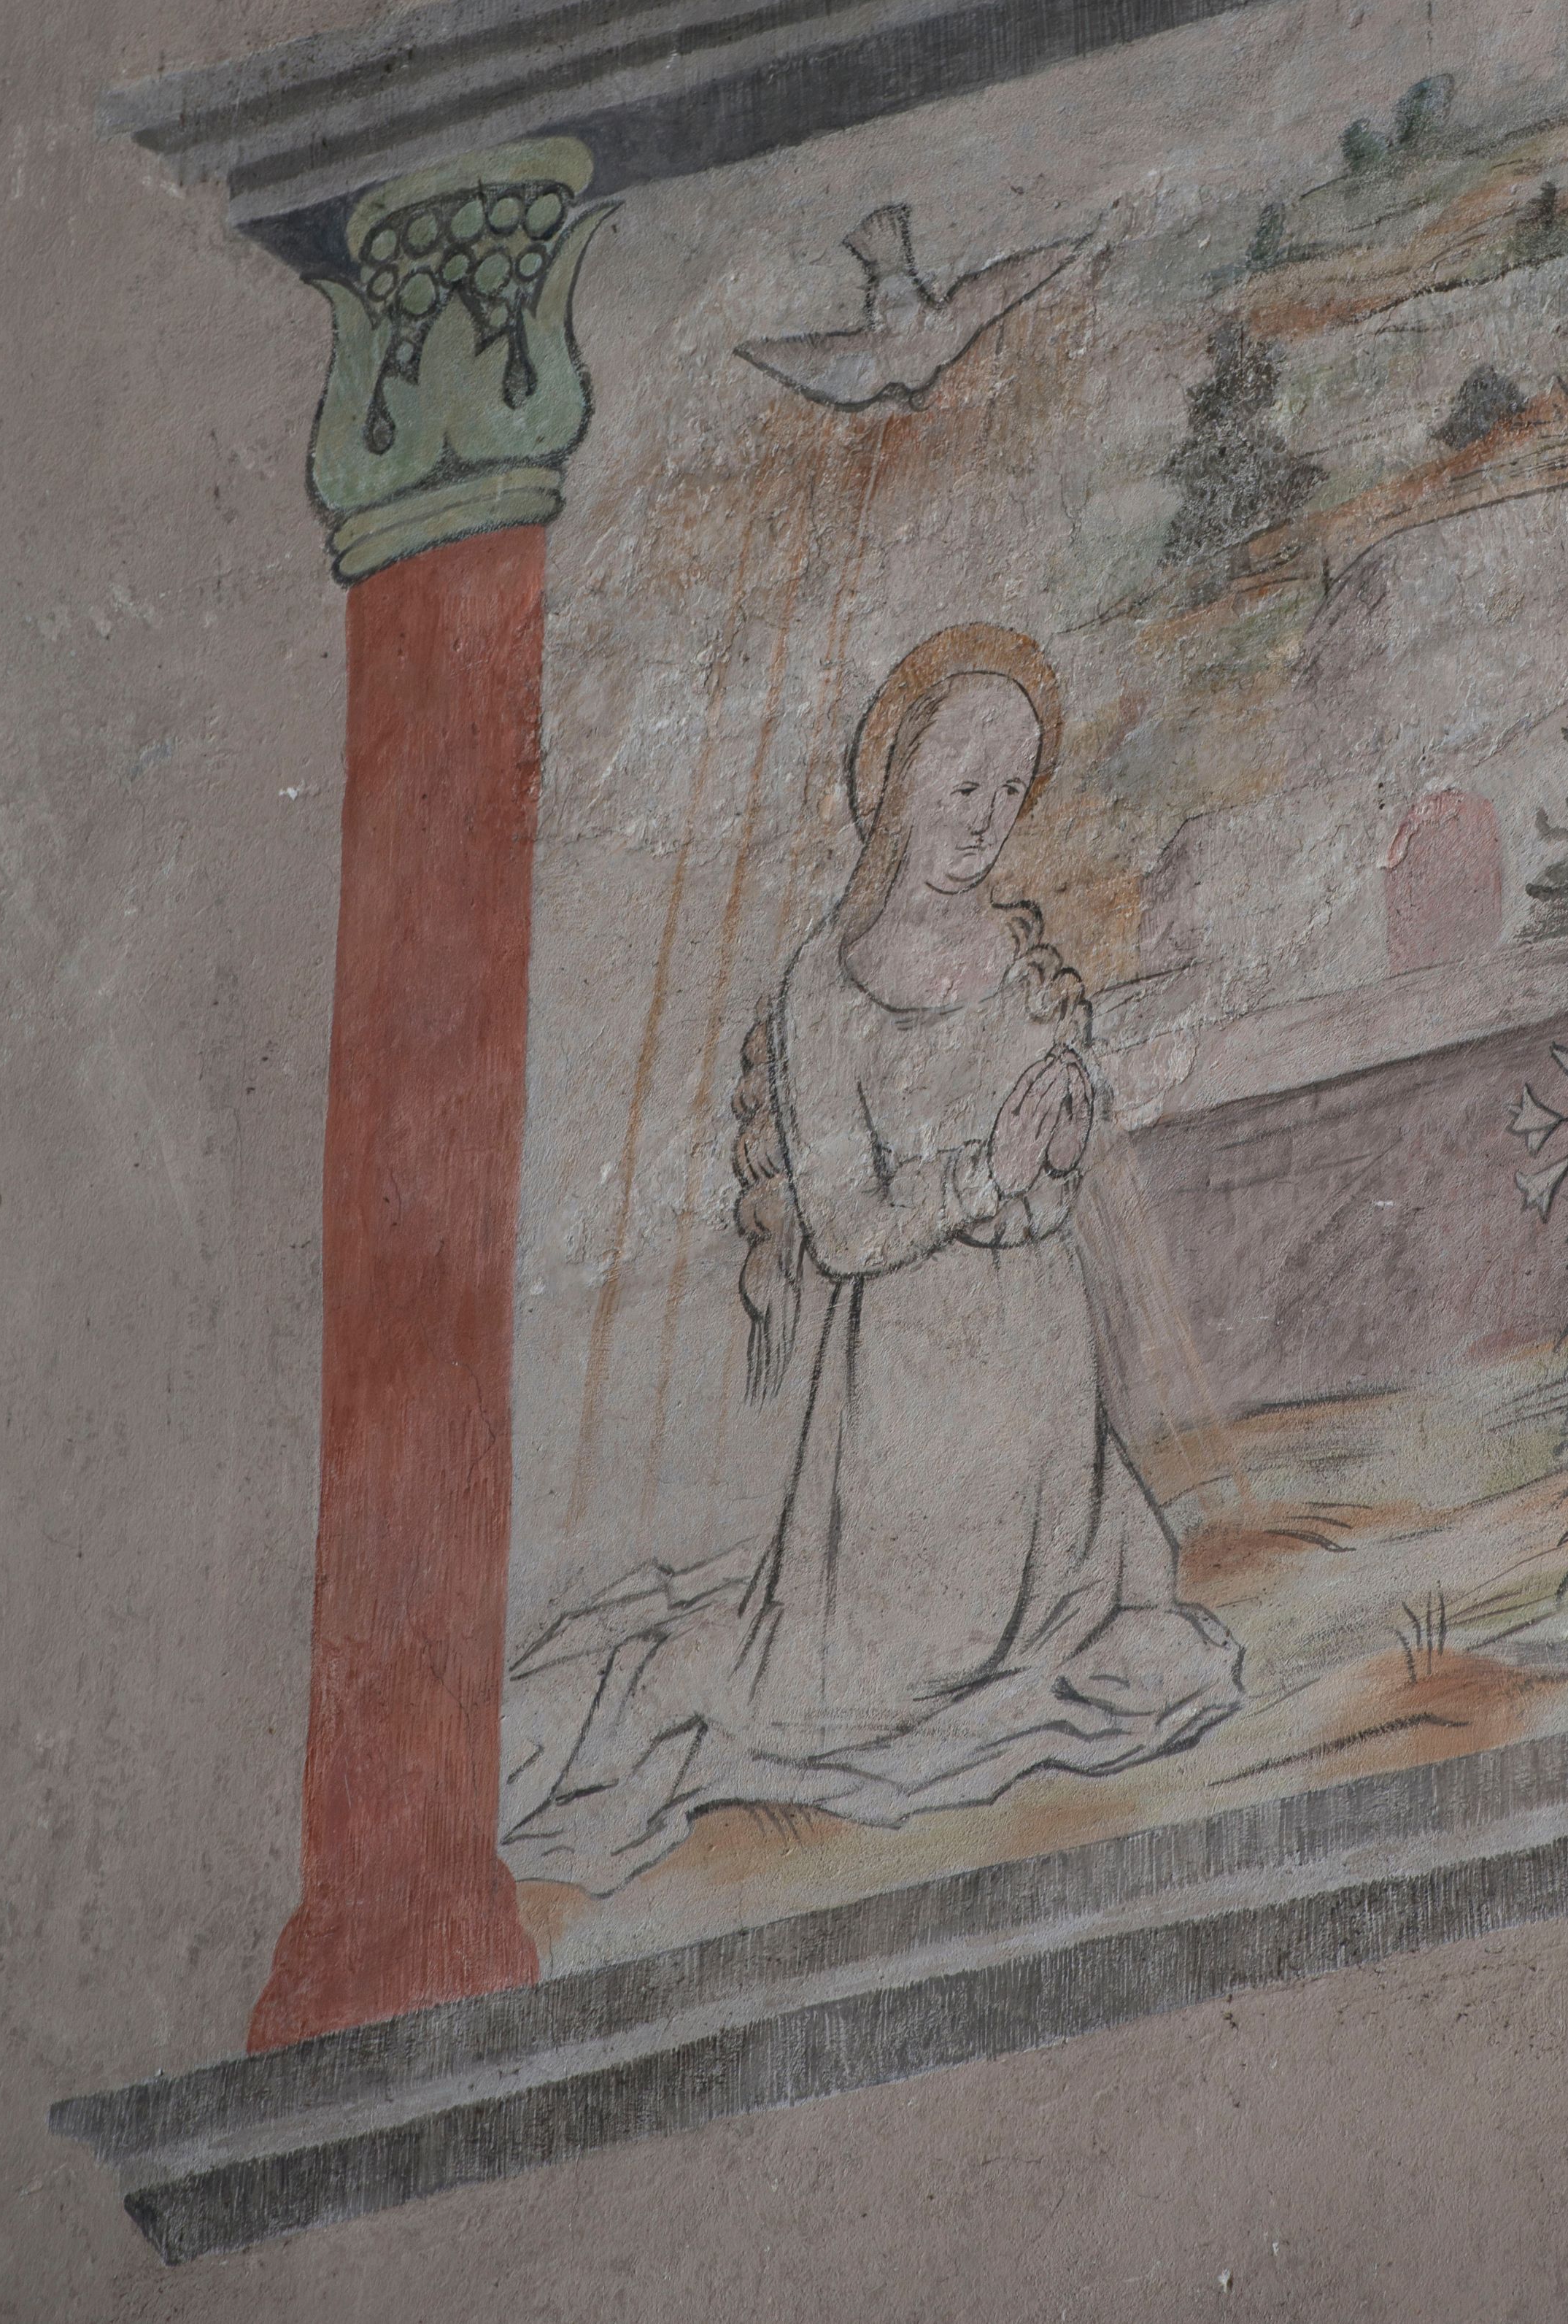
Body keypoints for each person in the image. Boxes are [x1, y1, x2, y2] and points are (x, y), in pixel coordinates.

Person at [502, 623, 1241, 1891]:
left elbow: (1045, 1179)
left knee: (1126, 1619)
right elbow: (845, 1229)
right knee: (863, 1688)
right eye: (964, 785)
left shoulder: (1018, 952)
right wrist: (984, 1176)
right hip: (913, 1393)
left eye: (1011, 789)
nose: (987, 818)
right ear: (901, 788)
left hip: (1041, 1376)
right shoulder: (827, 989)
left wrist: (1055, 1146)